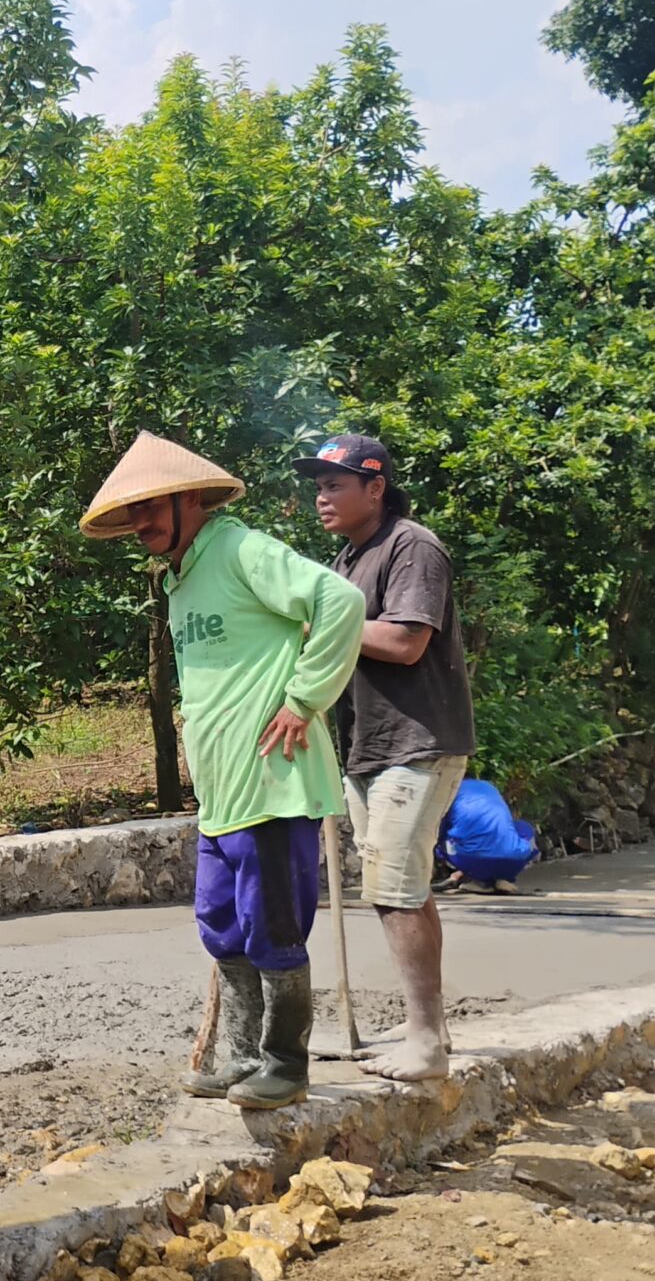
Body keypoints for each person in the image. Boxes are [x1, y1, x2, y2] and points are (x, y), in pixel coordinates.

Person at [80, 431, 363, 1110]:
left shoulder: (241, 550)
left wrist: (304, 699)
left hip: (273, 783)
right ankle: (241, 1058)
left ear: (192, 501)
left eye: (153, 507)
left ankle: (285, 1067)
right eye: (134, 512)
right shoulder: (179, 578)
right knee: (221, 923)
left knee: (273, 929)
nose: (142, 523)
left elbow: (340, 602)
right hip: (222, 792)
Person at [297, 434, 475, 1084]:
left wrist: (319, 625)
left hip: (417, 741)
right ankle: (431, 1027)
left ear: (375, 488)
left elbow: (404, 641)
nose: (322, 498)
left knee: (395, 889)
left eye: (334, 485)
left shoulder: (411, 546)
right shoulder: (348, 559)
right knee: (397, 890)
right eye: (318, 487)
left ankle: (426, 1045)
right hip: (369, 745)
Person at [436, 777, 537, 894]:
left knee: (438, 837)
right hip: (514, 860)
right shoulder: (489, 787)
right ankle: (502, 877)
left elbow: (438, 831)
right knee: (523, 827)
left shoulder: (449, 790)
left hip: (471, 859)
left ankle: (478, 879)